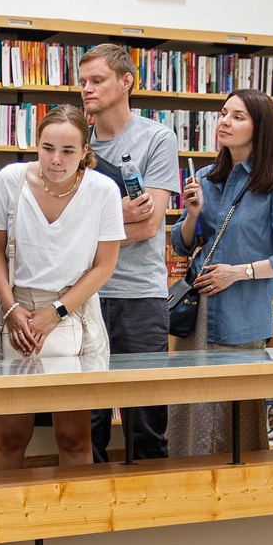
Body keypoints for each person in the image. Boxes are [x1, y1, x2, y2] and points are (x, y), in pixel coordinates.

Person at [172, 86, 273, 457]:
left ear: (260, 127)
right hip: (195, 317)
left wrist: (238, 273)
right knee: (190, 414)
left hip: (241, 318)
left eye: (237, 116)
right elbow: (182, 245)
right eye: (222, 113)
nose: (224, 122)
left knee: (234, 423)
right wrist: (191, 215)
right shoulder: (205, 177)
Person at [0, 106, 123, 471]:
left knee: (74, 437)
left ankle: (76, 523)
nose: (56, 160)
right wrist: (11, 310)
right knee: (9, 436)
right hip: (16, 312)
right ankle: (2, 523)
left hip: (73, 314)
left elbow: (104, 265)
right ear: (36, 144)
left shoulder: (102, 189)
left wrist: (55, 312)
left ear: (85, 151)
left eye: (68, 151)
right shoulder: (10, 179)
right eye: (47, 148)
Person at [78, 42, 181, 461]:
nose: (86, 90)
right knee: (87, 421)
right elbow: (51, 226)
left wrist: (83, 227)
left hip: (139, 295)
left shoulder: (156, 138)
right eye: (82, 82)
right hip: (83, 295)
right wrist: (111, 214)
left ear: (126, 82)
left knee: (146, 420)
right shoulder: (71, 140)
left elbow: (151, 224)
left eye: (97, 81)